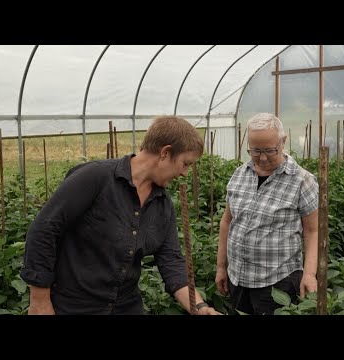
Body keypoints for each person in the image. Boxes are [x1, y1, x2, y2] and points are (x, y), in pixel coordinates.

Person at [21, 115, 220, 315]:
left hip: (125, 307)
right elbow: (44, 230)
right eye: (185, 163)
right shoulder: (95, 178)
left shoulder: (162, 204)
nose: (185, 173)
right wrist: (39, 302)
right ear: (165, 153)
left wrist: (199, 307)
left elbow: (171, 260)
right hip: (74, 305)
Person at [215, 113, 319, 315]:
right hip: (237, 278)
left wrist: (310, 274)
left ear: (283, 142)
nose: (262, 157)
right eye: (255, 151)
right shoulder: (239, 174)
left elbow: (313, 231)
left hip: (277, 282)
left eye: (269, 150)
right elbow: (227, 221)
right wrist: (221, 267)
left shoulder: (301, 180)